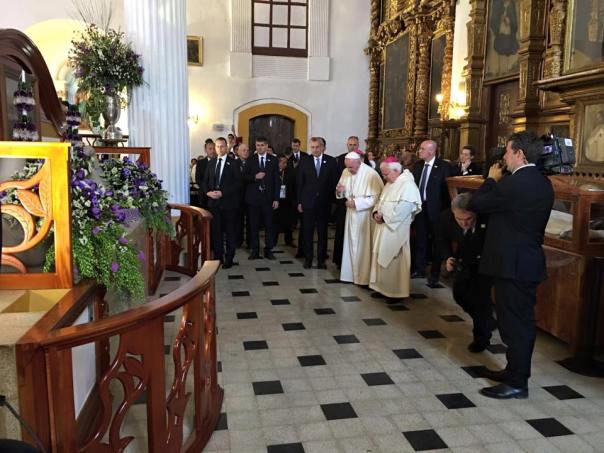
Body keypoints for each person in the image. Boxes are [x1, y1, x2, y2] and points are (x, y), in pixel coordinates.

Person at [469, 130, 554, 399]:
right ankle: (513, 371)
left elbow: (477, 202)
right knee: (518, 321)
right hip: (525, 261)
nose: (504, 156)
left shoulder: (513, 184)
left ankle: (517, 383)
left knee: (515, 324)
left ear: (519, 153)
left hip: (513, 265)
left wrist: (491, 180)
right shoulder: (542, 182)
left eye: (507, 151)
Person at [439, 192, 495, 352]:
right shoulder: (445, 217)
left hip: (484, 261)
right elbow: (441, 240)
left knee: (481, 300)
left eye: (469, 219)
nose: (464, 223)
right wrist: (447, 257)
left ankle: (481, 338)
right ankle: (487, 321)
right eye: (460, 219)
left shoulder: (487, 219)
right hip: (462, 258)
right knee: (459, 293)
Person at [370, 157, 422, 300]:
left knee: (394, 260)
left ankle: (395, 292)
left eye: (386, 174)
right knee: (380, 256)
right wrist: (376, 213)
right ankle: (381, 288)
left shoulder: (408, 186)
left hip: (396, 230)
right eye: (382, 173)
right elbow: (380, 202)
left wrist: (384, 217)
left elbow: (403, 211)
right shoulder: (389, 183)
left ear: (396, 171)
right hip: (383, 228)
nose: (384, 177)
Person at [336, 152, 384, 285]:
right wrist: (340, 191)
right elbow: (341, 190)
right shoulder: (346, 171)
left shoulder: (371, 174)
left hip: (365, 216)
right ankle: (350, 275)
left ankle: (363, 278)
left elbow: (377, 197)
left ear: (359, 162)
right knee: (351, 244)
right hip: (351, 214)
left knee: (364, 247)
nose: (349, 170)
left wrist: (357, 203)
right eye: (347, 167)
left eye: (351, 167)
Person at [411, 139, 452, 287]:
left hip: (437, 211)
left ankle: (435, 274)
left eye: (422, 149)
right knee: (421, 240)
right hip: (421, 209)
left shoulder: (444, 167)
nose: (419, 151)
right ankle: (419, 269)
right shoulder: (417, 165)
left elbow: (448, 191)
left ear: (431, 151)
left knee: (437, 242)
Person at [297, 137, 338, 269]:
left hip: (324, 204)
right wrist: (299, 202)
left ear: (323, 148)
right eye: (312, 147)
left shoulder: (331, 161)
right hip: (308, 203)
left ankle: (321, 260)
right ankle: (308, 259)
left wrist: (333, 203)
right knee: (307, 232)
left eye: (317, 147)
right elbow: (299, 183)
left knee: (322, 233)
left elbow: (334, 183)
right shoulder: (304, 161)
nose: (314, 150)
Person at [201, 137, 241, 269]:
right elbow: (205, 181)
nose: (219, 149)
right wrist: (208, 192)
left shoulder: (233, 163)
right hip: (214, 204)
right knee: (216, 232)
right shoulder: (211, 163)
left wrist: (223, 192)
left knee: (230, 232)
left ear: (226, 147)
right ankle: (219, 257)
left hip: (229, 204)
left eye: (222, 146)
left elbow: (237, 183)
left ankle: (229, 258)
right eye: (217, 147)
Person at [243, 137, 280, 260]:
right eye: (258, 145)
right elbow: (244, 177)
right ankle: (255, 250)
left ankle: (268, 249)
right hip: (253, 198)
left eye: (262, 145)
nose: (260, 147)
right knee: (253, 225)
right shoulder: (250, 160)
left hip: (268, 199)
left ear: (267, 146)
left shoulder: (274, 160)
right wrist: (255, 177)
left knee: (269, 225)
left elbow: (276, 180)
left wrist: (276, 199)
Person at [333, 136, 364, 268]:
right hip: (343, 204)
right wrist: (340, 192)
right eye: (350, 145)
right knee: (341, 232)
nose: (352, 147)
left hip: (359, 205)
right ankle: (340, 261)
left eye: (355, 145)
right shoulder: (341, 159)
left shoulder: (364, 160)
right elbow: (339, 180)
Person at [274, 154, 297, 247]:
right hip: (276, 200)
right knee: (275, 222)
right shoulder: (274, 172)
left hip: (287, 201)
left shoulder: (290, 172)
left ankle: (289, 240)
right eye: (283, 162)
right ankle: (273, 241)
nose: (285, 164)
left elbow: (293, 186)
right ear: (278, 163)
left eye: (286, 163)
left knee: (288, 222)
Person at [236, 143, 251, 247]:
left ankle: (250, 242)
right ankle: (238, 241)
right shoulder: (234, 163)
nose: (246, 152)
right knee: (238, 221)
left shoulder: (252, 163)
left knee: (251, 221)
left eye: (247, 150)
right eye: (243, 150)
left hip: (250, 196)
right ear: (238, 152)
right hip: (237, 197)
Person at [195, 140, 216, 209]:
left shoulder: (220, 161)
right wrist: (208, 191)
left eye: (214, 148)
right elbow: (198, 179)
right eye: (210, 149)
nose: (212, 151)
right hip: (205, 195)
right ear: (205, 150)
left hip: (218, 196)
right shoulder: (200, 163)